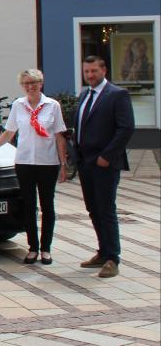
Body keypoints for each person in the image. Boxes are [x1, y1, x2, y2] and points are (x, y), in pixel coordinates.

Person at [0, 70, 69, 265]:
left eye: (33, 82)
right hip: (24, 162)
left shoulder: (52, 106)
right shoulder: (19, 105)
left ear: (41, 83)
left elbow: (59, 135)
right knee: (28, 206)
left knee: (47, 206)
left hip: (47, 163)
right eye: (25, 83)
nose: (30, 86)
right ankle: (33, 248)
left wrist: (63, 164)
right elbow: (9, 133)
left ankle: (46, 249)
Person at [73, 56, 134, 278]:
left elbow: (126, 128)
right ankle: (103, 251)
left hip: (104, 163)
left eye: (94, 71)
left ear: (104, 70)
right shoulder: (84, 94)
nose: (90, 75)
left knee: (106, 210)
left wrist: (107, 156)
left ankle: (112, 258)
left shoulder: (117, 95)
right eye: (86, 71)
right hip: (85, 162)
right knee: (93, 209)